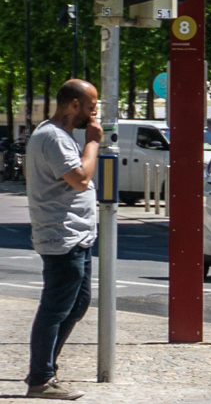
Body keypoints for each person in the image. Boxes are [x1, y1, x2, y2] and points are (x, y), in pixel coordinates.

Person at [25, 79, 101, 400]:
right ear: (73, 106)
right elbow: (81, 179)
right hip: (62, 236)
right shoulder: (52, 137)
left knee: (77, 303)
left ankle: (46, 371)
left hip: (76, 236)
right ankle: (40, 379)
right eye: (91, 106)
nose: (94, 113)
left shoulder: (61, 136)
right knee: (55, 307)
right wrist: (93, 142)